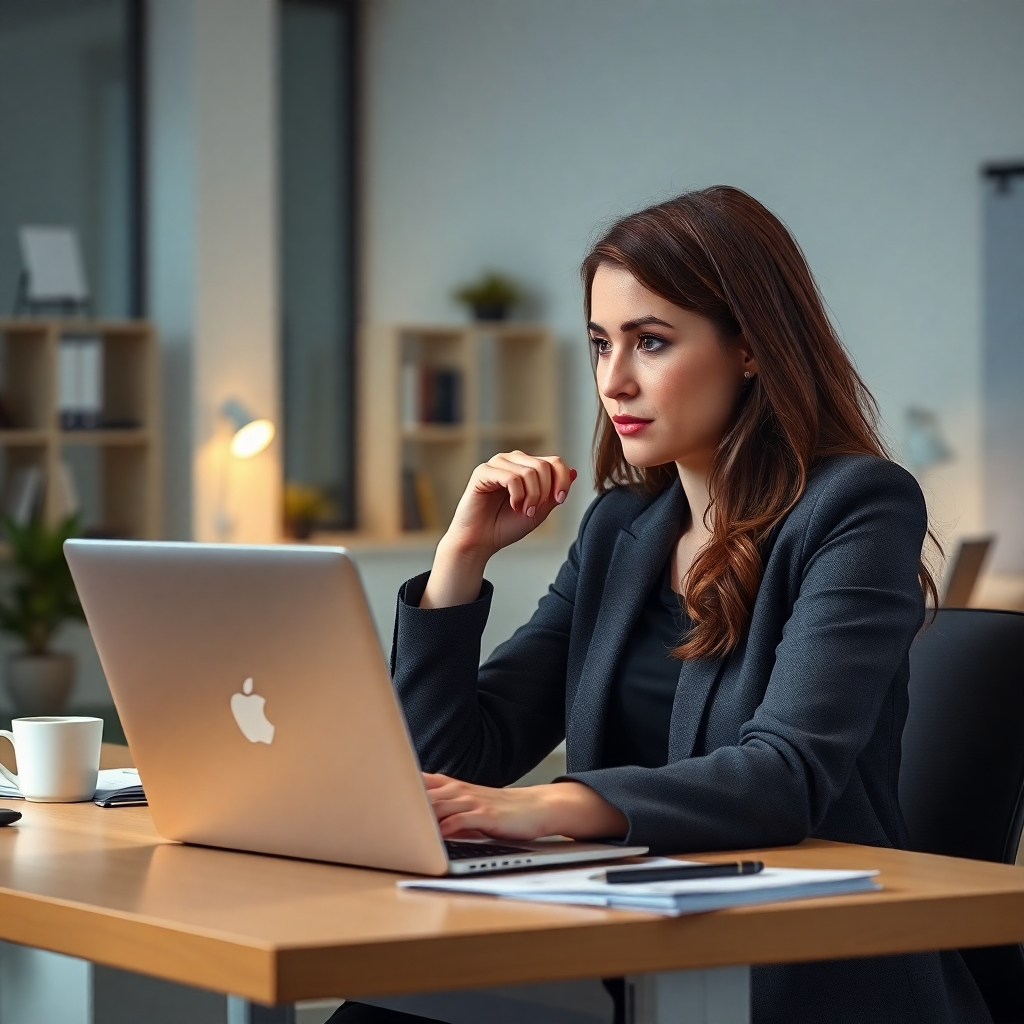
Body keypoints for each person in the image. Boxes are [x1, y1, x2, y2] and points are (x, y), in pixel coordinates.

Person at [331, 187, 991, 1024]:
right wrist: (458, 563)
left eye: (651, 342)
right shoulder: (620, 529)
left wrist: (540, 807)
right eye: (602, 343)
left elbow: (783, 776)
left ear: (749, 347)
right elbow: (457, 762)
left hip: (797, 961)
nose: (615, 380)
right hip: (626, 939)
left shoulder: (858, 507)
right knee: (384, 1011)